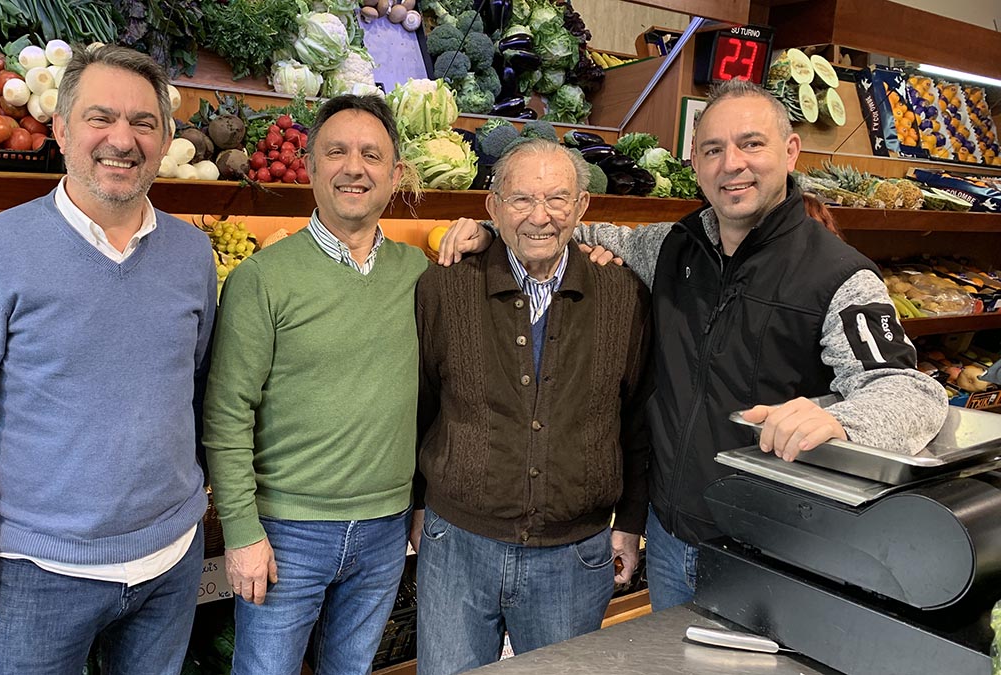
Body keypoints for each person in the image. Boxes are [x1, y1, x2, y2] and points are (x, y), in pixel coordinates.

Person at [438, 79, 947, 611]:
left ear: (790, 151)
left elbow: (910, 391)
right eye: (713, 149)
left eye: (751, 144)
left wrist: (843, 423)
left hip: (774, 553)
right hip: (669, 538)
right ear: (697, 161)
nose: (732, 164)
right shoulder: (673, 246)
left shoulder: (839, 276)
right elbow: (573, 231)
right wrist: (491, 230)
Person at [0, 45, 217, 674]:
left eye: (144, 123)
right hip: (41, 575)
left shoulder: (192, 253)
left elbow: (196, 385)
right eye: (100, 118)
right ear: (62, 129)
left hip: (172, 560)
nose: (122, 140)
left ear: (166, 137)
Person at [203, 94, 429, 675]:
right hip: (286, 533)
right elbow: (227, 413)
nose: (355, 167)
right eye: (337, 152)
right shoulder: (262, 279)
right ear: (309, 166)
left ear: (395, 174)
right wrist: (242, 531)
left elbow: (437, 398)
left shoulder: (420, 274)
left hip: (385, 529)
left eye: (372, 154)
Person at [412, 138, 651, 675]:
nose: (539, 217)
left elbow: (637, 418)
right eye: (520, 200)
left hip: (574, 555)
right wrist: (418, 506)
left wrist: (630, 520)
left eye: (557, 200)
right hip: (457, 545)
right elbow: (422, 404)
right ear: (492, 209)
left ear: (583, 208)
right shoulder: (443, 287)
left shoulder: (623, 294)